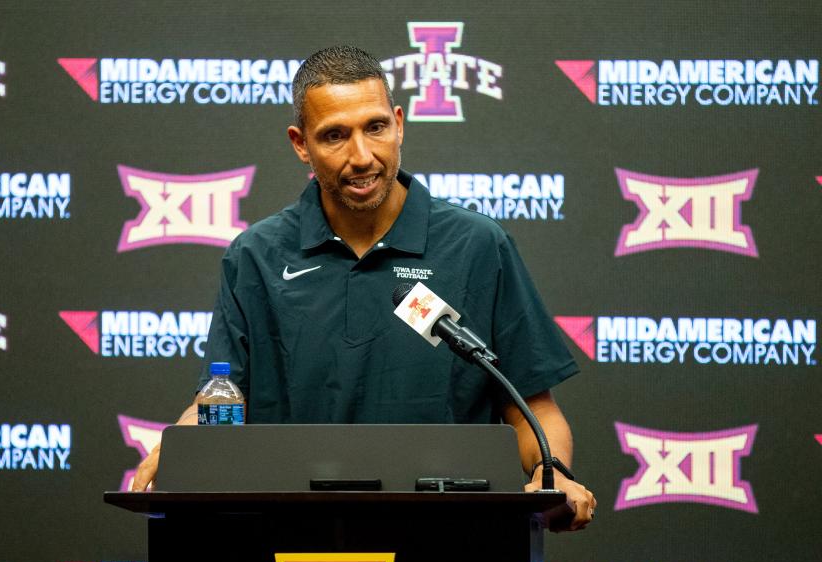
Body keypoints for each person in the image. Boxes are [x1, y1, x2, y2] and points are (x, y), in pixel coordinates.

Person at [131, 45, 596, 530]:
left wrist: (552, 472)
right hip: (288, 538)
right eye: (334, 135)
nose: (361, 156)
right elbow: (225, 400)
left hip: (450, 539)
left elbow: (532, 407)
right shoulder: (257, 255)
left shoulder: (477, 245)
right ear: (300, 144)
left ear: (399, 123)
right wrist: (185, 443)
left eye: (375, 127)